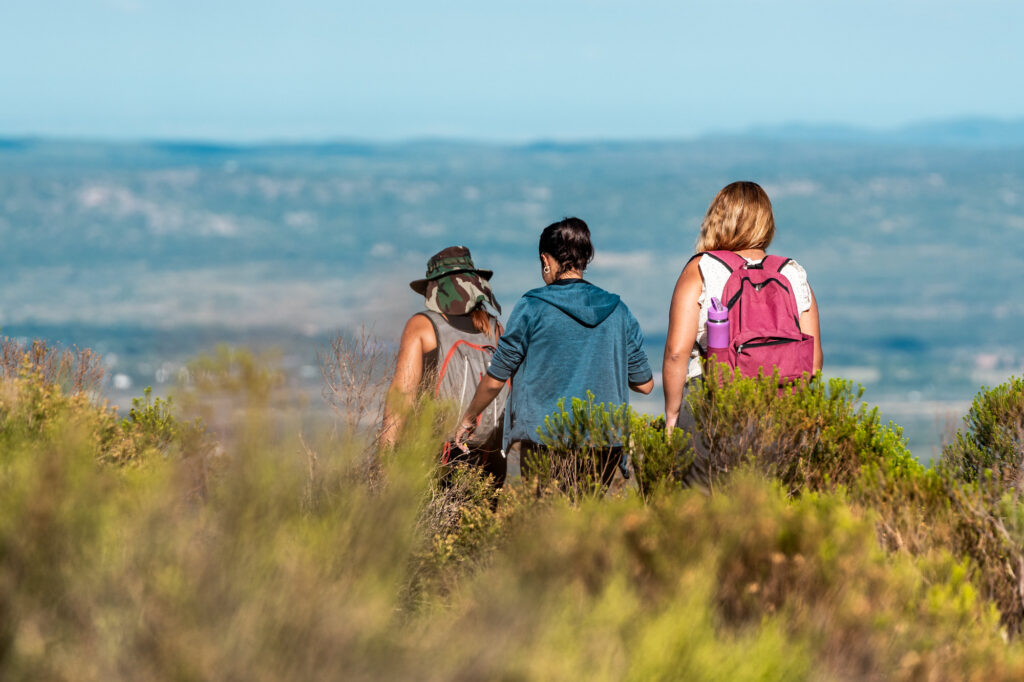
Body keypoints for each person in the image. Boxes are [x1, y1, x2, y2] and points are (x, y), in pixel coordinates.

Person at [455, 217, 654, 489]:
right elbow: (645, 384)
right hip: (604, 444)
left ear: (545, 260)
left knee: (547, 523)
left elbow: (496, 378)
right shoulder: (619, 310)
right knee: (587, 522)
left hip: (544, 443)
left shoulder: (532, 306)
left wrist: (468, 418)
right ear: (584, 260)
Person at [662, 181, 823, 472]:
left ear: (717, 219)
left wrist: (672, 415)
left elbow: (676, 352)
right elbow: (812, 363)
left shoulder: (702, 269)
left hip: (709, 403)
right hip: (781, 407)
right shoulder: (793, 273)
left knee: (700, 510)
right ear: (766, 223)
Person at [381, 246, 508, 486]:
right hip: (489, 461)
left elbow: (401, 398)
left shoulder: (422, 325)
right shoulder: (496, 329)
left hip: (436, 458)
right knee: (479, 524)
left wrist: (384, 463)